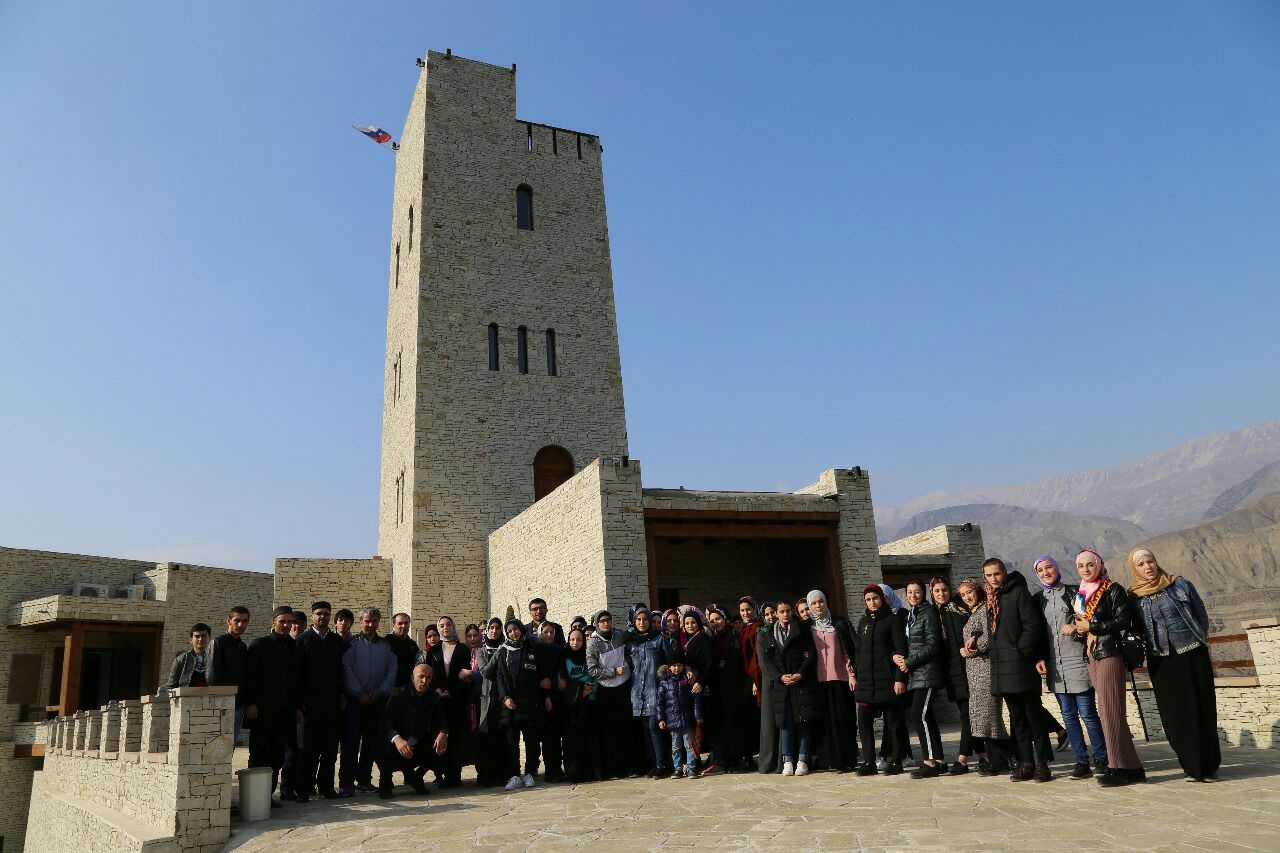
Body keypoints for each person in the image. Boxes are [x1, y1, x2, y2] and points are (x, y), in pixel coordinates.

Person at [1129, 547, 1218, 782]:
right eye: (1141, 564)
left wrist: (1199, 641)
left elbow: (1201, 615)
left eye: (1150, 561)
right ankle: (1191, 766)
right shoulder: (1134, 597)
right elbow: (1135, 629)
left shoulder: (1180, 585)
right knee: (1175, 715)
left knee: (1202, 709)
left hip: (1192, 655)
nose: (1147, 567)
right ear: (1134, 569)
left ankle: (1208, 766)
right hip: (1161, 661)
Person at [1074, 549, 1146, 786]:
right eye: (1081, 566)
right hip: (1093, 654)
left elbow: (1123, 620)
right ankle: (1132, 767)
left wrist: (1091, 626)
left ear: (1099, 565)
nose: (1086, 569)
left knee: (1111, 712)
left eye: (1090, 564)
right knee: (1107, 711)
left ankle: (1117, 766)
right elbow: (1082, 626)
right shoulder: (1081, 594)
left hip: (1109, 653)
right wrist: (1077, 629)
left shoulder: (1112, 589)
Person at [1033, 557, 1107, 780]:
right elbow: (1035, 633)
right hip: (1055, 666)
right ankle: (1081, 761)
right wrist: (1039, 657)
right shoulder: (1037, 600)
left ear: (1057, 568)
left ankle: (1101, 758)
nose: (1046, 572)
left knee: (1088, 714)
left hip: (1077, 661)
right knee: (1068, 716)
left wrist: (1076, 627)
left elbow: (1090, 620)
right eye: (1040, 570)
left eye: (1049, 567)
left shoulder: (1075, 593)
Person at [981, 558, 1052, 782]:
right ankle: (1026, 763)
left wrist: (1019, 651)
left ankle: (1042, 764)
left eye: (997, 574)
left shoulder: (1018, 593)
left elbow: (1032, 626)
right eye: (989, 576)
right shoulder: (990, 600)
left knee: (1034, 717)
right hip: (1003, 670)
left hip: (1021, 666)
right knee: (1017, 720)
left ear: (1004, 573)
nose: (993, 579)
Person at [243, 606, 302, 806]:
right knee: (260, 755)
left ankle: (267, 796)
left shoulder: (294, 647)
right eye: (282, 621)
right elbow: (249, 677)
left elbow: (295, 682)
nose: (286, 625)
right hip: (262, 711)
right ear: (273, 622)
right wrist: (250, 702)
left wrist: (297, 708)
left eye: (289, 622)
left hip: (284, 712)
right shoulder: (260, 645)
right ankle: (255, 798)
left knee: (277, 755)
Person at [958, 579, 1014, 775]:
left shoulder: (984, 610)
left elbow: (991, 635)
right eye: (963, 595)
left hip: (985, 670)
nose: (967, 597)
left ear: (978, 591)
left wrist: (970, 650)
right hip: (975, 673)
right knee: (984, 718)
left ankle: (1003, 759)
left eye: (969, 592)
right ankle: (1002, 759)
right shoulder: (975, 612)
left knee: (989, 717)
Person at [340, 606, 397, 796]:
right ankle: (346, 782)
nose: (370, 625)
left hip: (376, 701)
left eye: (374, 621)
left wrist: (380, 691)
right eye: (367, 621)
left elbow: (392, 669)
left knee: (370, 743)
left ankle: (364, 779)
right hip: (355, 702)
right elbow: (346, 668)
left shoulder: (385, 646)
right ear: (361, 622)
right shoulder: (352, 644)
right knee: (350, 742)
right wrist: (358, 693)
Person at [759, 599, 820, 776]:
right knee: (785, 723)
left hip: (800, 682)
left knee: (803, 722)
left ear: (792, 612)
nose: (785, 614)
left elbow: (811, 654)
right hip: (782, 685)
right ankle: (787, 760)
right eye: (781, 612)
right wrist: (780, 677)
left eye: (787, 611)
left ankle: (802, 759)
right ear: (776, 614)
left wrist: (801, 673)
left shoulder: (801, 630)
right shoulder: (770, 633)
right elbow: (767, 660)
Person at [852, 584, 908, 775]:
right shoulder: (863, 623)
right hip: (866, 684)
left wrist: (900, 678)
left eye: (875, 598)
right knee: (864, 723)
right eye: (868, 599)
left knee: (893, 723)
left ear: (882, 599)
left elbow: (901, 650)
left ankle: (895, 760)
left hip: (888, 680)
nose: (872, 602)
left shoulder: (892, 621)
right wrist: (857, 677)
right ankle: (868, 761)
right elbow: (858, 653)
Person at [496, 618, 555, 790]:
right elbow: (500, 676)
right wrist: (505, 697)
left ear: (521, 630)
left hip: (530, 702)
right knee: (511, 741)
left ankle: (530, 772)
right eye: (510, 630)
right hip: (510, 703)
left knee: (531, 741)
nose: (513, 633)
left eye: (516, 629)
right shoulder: (503, 651)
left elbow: (542, 675)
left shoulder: (531, 649)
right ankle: (514, 775)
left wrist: (547, 696)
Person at [295, 601, 346, 801]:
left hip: (332, 703)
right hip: (310, 704)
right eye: (319, 613)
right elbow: (297, 675)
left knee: (330, 748)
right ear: (313, 616)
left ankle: (326, 787)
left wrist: (341, 694)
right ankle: (305, 789)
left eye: (326, 613)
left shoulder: (335, 641)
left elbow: (341, 671)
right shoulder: (303, 640)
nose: (322, 617)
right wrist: (299, 704)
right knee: (309, 749)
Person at [897, 580, 947, 778]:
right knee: (927, 716)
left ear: (924, 593)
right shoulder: (911, 615)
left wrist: (909, 662)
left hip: (927, 671)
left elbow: (933, 644)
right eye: (909, 592)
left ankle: (929, 762)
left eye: (917, 592)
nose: (913, 595)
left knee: (919, 714)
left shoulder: (928, 613)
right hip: (916, 673)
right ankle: (940, 760)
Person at [377, 662, 449, 799]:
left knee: (443, 744)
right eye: (421, 676)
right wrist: (396, 739)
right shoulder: (398, 694)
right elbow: (385, 721)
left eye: (428, 678)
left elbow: (440, 720)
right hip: (397, 745)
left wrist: (443, 732)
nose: (424, 681)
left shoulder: (432, 696)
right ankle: (385, 780)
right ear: (412, 678)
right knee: (381, 746)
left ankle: (416, 776)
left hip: (418, 743)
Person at [806, 589, 859, 773]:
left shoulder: (840, 623)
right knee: (824, 723)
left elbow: (847, 650)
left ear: (826, 602)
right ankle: (828, 760)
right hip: (818, 681)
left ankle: (847, 759)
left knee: (843, 719)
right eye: (813, 603)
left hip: (840, 679)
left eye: (821, 601)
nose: (818, 606)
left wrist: (851, 674)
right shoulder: (807, 627)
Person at [931, 577, 977, 775]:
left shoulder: (960, 610)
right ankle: (983, 756)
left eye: (944, 590)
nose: (941, 594)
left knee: (969, 715)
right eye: (937, 591)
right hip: (951, 673)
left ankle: (963, 759)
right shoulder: (933, 614)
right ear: (932, 594)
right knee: (966, 714)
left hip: (969, 668)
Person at [423, 615, 469, 788]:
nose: (445, 628)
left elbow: (464, 673)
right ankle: (441, 773)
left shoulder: (462, 649)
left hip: (456, 699)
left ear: (453, 627)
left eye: (448, 624)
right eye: (441, 625)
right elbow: (428, 673)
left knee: (455, 736)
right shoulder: (433, 651)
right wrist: (436, 690)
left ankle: (454, 775)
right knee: (440, 735)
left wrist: (452, 691)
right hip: (438, 700)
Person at [586, 610, 633, 779]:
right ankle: (612, 769)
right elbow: (592, 669)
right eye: (602, 621)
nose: (606, 623)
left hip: (624, 687)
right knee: (609, 731)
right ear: (597, 624)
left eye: (608, 620)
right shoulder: (592, 643)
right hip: (606, 691)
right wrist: (613, 671)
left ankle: (627, 766)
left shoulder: (620, 635)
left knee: (625, 728)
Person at [626, 606, 670, 777]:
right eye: (639, 620)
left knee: (655, 728)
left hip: (656, 692)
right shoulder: (631, 643)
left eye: (645, 620)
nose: (642, 623)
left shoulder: (659, 640)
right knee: (646, 732)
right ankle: (654, 763)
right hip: (638, 694)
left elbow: (669, 662)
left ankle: (662, 764)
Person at [705, 606, 748, 774]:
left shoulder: (733, 636)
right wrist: (718, 665)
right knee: (722, 725)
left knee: (734, 724)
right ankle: (724, 760)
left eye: (718, 619)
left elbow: (737, 660)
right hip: (718, 689)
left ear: (725, 619)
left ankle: (737, 760)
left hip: (733, 687)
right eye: (713, 620)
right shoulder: (712, 638)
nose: (715, 622)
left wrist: (724, 664)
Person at [562, 626, 603, 782]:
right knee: (573, 742)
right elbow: (563, 682)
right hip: (572, 706)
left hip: (589, 704)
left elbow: (595, 676)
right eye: (572, 639)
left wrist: (589, 691)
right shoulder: (564, 658)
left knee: (590, 740)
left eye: (579, 639)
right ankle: (575, 773)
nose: (575, 642)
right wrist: (580, 689)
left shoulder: (589, 657)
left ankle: (592, 772)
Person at [208, 606, 250, 744]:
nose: (240, 624)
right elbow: (212, 677)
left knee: (229, 745)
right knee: (217, 746)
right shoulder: (218, 643)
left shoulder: (242, 647)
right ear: (229, 621)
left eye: (244, 621)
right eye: (237, 620)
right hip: (222, 704)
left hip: (238, 705)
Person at [656, 660, 704, 778]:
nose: (677, 668)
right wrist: (660, 718)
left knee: (689, 745)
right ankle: (677, 768)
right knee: (675, 746)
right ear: (669, 667)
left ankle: (692, 768)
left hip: (687, 718)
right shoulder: (664, 681)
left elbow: (696, 699)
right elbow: (660, 702)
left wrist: (698, 716)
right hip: (672, 719)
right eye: (674, 666)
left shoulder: (688, 679)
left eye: (679, 665)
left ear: (683, 666)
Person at [536, 620, 567, 781]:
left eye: (551, 632)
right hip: (543, 697)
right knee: (548, 737)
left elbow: (562, 670)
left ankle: (558, 767)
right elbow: (536, 674)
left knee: (557, 734)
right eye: (545, 632)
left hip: (558, 695)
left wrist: (563, 681)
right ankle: (550, 770)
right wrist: (545, 692)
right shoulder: (536, 651)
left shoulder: (559, 650)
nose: (549, 635)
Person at [737, 597, 763, 768]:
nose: (745, 613)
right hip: (744, 678)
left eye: (748, 609)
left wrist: (756, 680)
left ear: (754, 609)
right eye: (742, 610)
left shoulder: (758, 627)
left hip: (754, 679)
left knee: (755, 719)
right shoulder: (745, 628)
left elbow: (757, 656)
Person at [755, 603, 779, 775]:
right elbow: (763, 661)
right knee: (769, 723)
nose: (771, 616)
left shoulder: (782, 630)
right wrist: (776, 677)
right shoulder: (762, 633)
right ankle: (768, 762)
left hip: (784, 680)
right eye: (767, 614)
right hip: (770, 681)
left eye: (773, 613)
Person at [167, 623, 212, 689]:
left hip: (211, 698)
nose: (200, 639)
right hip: (187, 698)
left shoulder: (217, 659)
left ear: (210, 638)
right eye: (197, 636)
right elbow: (171, 686)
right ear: (191, 639)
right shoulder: (181, 660)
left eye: (204, 635)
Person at [386, 613, 420, 688]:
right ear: (393, 625)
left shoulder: (413, 645)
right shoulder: (386, 643)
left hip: (409, 687)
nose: (403, 626)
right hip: (391, 687)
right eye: (400, 623)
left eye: (406, 623)